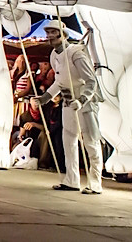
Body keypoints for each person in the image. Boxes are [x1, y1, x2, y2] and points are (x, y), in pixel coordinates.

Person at [32, 19, 103, 194]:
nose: (49, 36)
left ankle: (95, 183)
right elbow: (59, 82)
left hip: (84, 104)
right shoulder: (54, 55)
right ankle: (71, 180)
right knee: (68, 142)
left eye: (53, 32)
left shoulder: (76, 53)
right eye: (48, 32)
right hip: (67, 103)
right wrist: (45, 98)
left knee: (90, 142)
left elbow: (90, 81)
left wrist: (82, 99)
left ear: (62, 34)